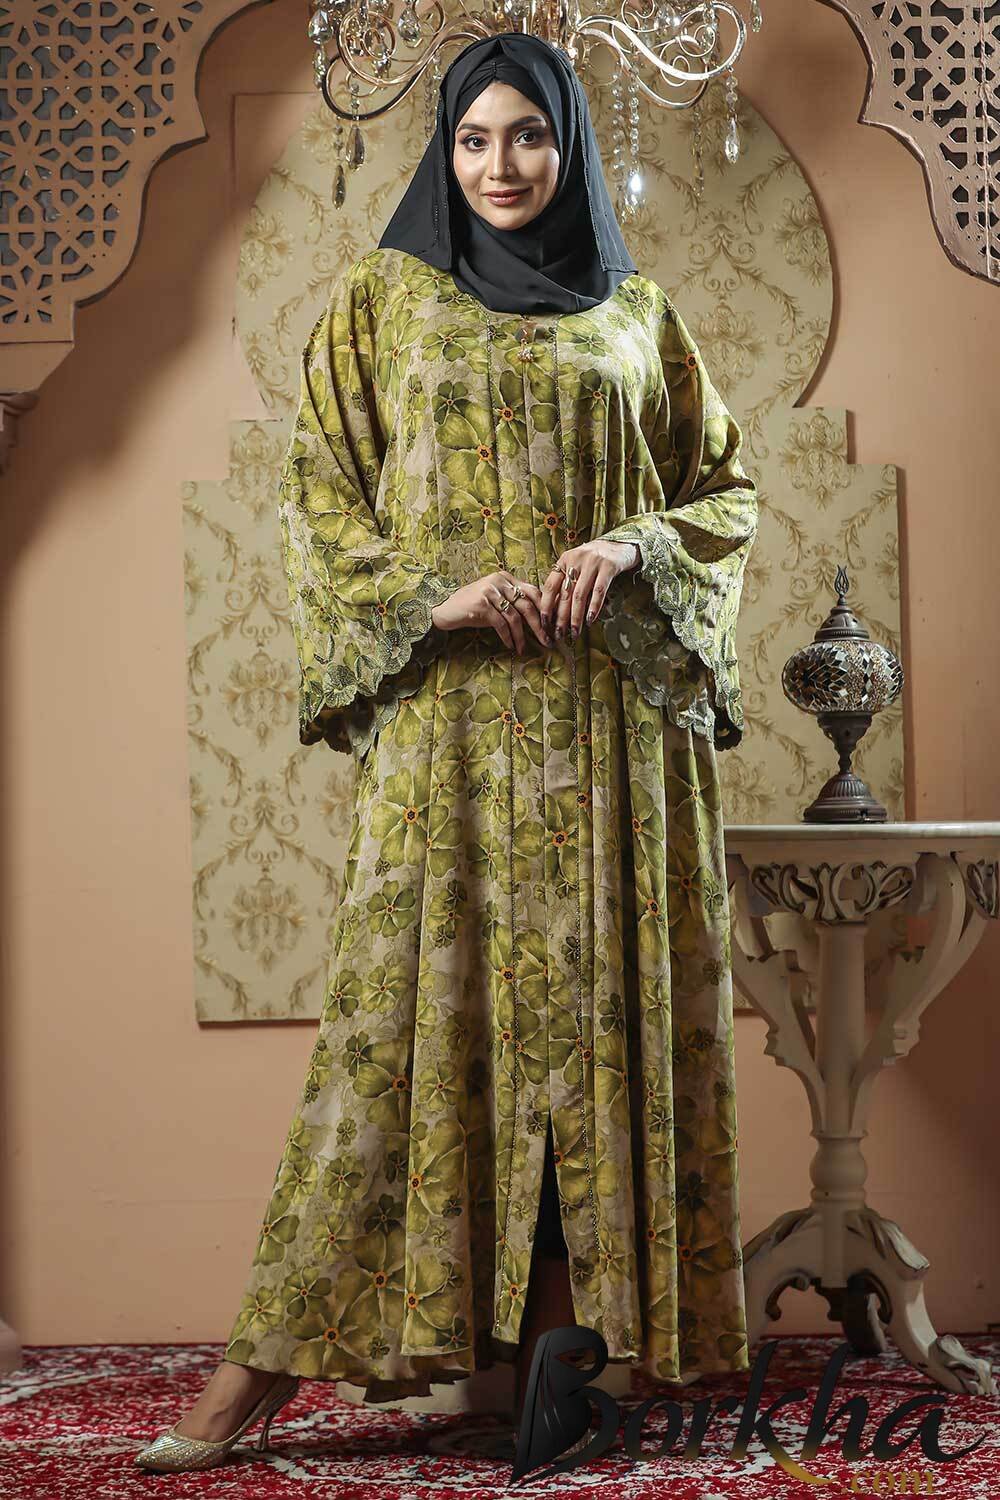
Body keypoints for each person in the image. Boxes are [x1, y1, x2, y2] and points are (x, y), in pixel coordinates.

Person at [135, 29, 757, 1473]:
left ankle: (536, 1367)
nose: (500, 166)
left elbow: (725, 492)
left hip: (607, 734)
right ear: (444, 150)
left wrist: (630, 543)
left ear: (570, 147)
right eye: (474, 139)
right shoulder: (383, 304)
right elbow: (318, 498)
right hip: (451, 735)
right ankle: (254, 1377)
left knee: (595, 1039)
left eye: (528, 137)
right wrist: (437, 598)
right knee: (399, 1040)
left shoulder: (639, 315)